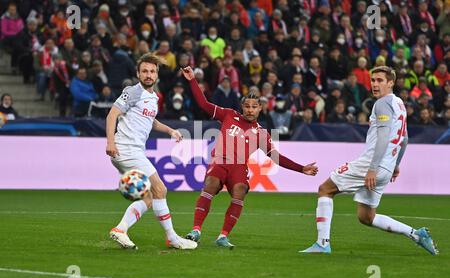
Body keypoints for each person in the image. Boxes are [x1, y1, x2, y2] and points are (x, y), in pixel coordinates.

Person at [300, 66, 439, 255]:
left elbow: (383, 137)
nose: (374, 84)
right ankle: (416, 234)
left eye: (380, 80)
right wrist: (396, 164)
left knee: (325, 189)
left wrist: (373, 169)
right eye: (373, 80)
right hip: (387, 167)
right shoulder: (399, 104)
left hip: (372, 164)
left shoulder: (382, 103)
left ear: (391, 83)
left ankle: (322, 244)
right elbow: (404, 137)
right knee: (366, 216)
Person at [181, 66, 318, 249]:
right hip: (221, 161)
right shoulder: (229, 115)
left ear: (260, 108)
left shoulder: (261, 133)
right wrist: (192, 80)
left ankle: (223, 236)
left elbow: (276, 157)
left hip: (238, 167)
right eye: (247, 106)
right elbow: (204, 104)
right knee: (211, 184)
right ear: (242, 107)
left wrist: (301, 168)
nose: (250, 110)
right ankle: (196, 230)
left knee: (240, 191)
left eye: (254, 107)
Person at [106, 53, 197, 250]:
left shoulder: (153, 97)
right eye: (145, 71)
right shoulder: (133, 91)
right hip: (127, 149)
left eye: (152, 71)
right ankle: (172, 238)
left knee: (148, 198)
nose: (149, 75)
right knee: (160, 189)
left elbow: (151, 121)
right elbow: (112, 114)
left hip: (132, 151)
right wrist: (110, 142)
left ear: (157, 75)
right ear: (138, 73)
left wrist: (170, 130)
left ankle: (121, 229)